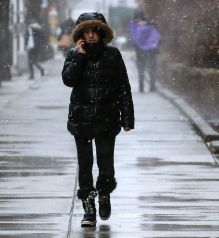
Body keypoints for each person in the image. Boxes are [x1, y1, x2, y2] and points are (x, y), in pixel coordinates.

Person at [62, 12, 135, 227]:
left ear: (101, 32)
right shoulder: (75, 54)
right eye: (87, 32)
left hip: (106, 118)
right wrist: (80, 55)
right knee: (84, 166)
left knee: (106, 164)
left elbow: (123, 86)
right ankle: (88, 208)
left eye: (95, 31)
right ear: (80, 35)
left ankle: (104, 194)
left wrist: (127, 117)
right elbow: (68, 79)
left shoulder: (112, 54)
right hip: (81, 120)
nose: (91, 35)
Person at [128, 11, 160, 92]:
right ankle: (142, 86)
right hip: (143, 51)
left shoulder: (149, 25)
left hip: (146, 51)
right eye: (136, 18)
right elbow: (134, 38)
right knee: (142, 69)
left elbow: (155, 35)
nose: (137, 20)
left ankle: (151, 86)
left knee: (149, 69)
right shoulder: (137, 26)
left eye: (138, 18)